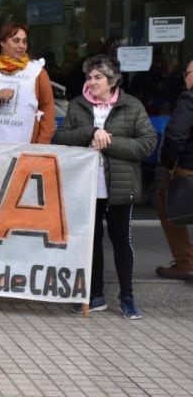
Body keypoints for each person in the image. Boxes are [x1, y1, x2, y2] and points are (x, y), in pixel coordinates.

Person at [53, 54, 156, 319]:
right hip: (88, 186)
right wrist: (89, 132)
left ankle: (127, 297)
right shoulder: (77, 105)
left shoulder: (131, 106)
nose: (92, 81)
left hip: (121, 187)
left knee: (121, 241)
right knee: (92, 242)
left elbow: (146, 144)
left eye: (98, 77)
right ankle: (94, 294)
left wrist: (109, 141)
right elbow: (60, 137)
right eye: (89, 76)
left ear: (113, 80)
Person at [156, 58, 193, 280]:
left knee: (168, 207)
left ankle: (185, 262)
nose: (185, 78)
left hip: (187, 168)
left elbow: (176, 134)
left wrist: (169, 163)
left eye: (187, 73)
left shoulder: (189, 98)